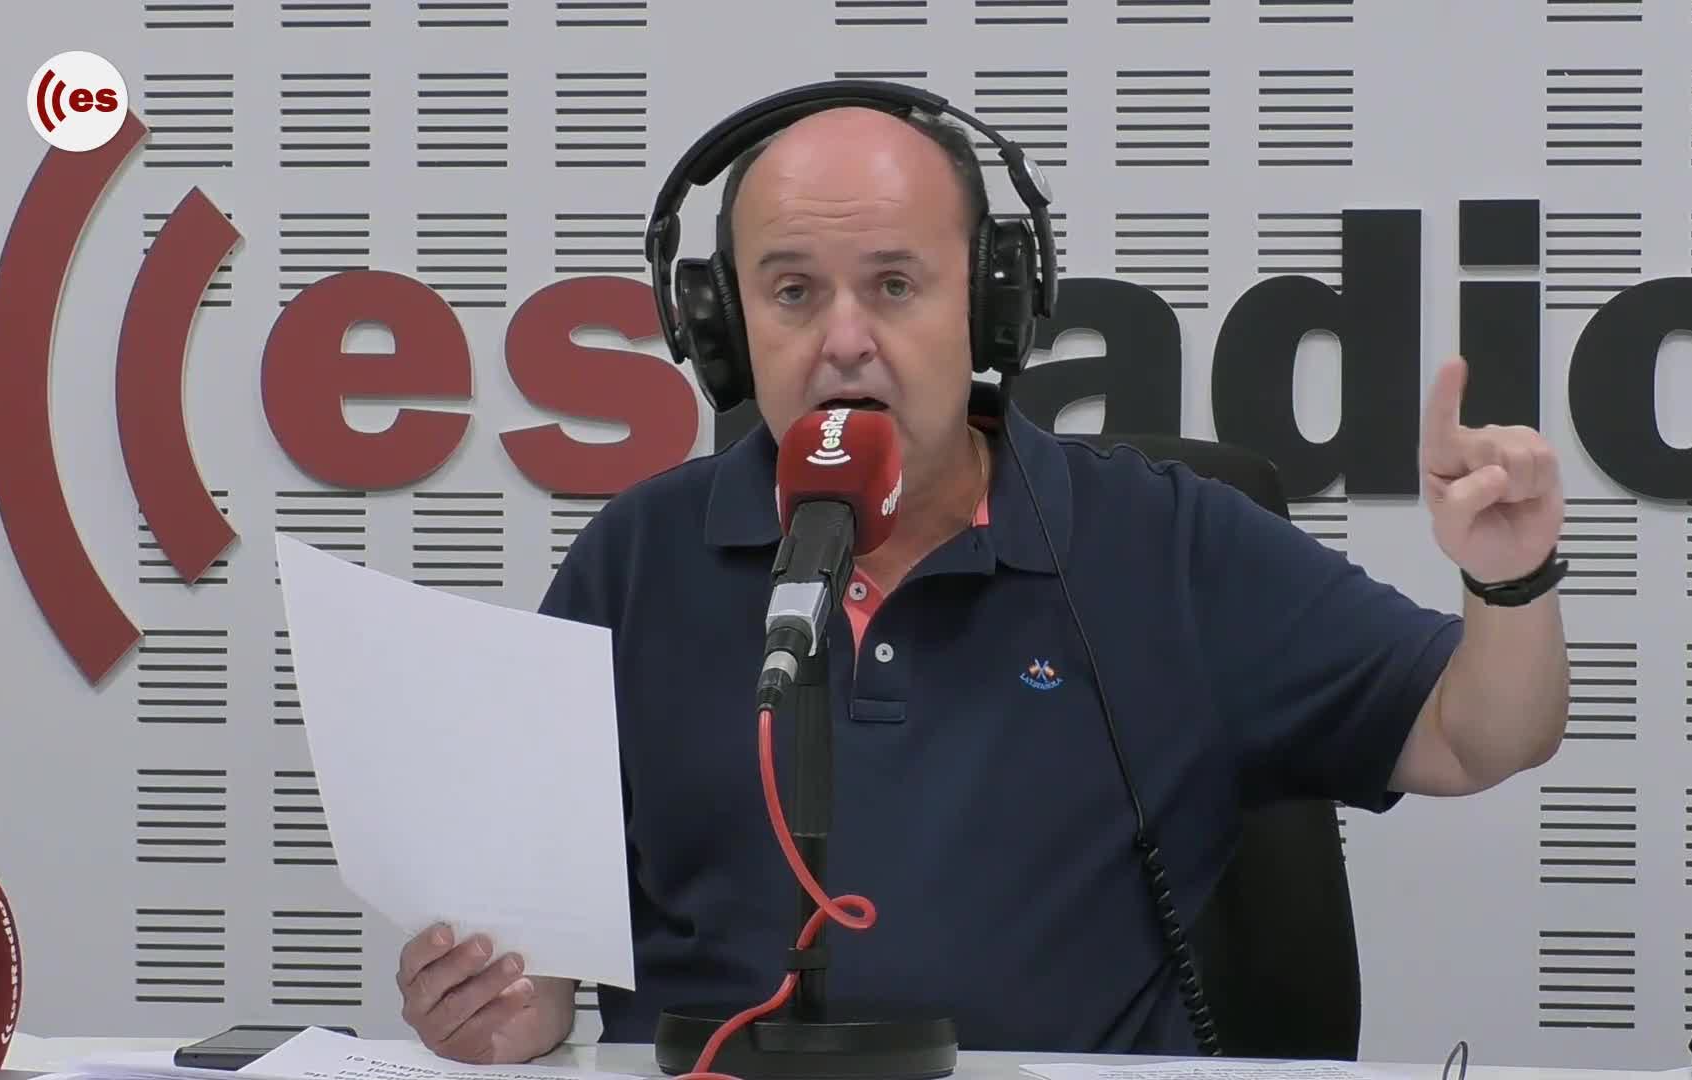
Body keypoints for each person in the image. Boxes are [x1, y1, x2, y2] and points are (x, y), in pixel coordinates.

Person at [392, 86, 1571, 1064]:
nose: (843, 338)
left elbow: (1479, 736)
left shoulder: (1164, 543)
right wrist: (509, 1010)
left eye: (894, 286)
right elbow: (539, 955)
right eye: (792, 292)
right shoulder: (635, 559)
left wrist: (1509, 581)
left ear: (993, 307)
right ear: (722, 326)